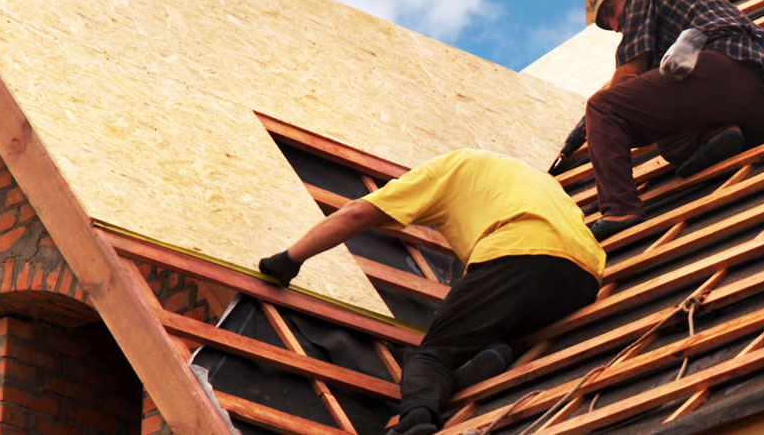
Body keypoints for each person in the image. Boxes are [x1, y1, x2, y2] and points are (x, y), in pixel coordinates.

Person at [257, 149, 605, 435]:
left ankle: (416, 420)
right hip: (585, 275)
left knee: (430, 354)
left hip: (518, 252)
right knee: (483, 332)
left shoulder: (445, 169)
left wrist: (289, 259)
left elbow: (357, 213)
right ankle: (484, 360)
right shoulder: (531, 179)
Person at [555, 0, 764, 240]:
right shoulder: (675, 5)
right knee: (668, 142)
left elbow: (629, 73)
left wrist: (590, 120)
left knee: (602, 107)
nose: (614, 26)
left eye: (611, 11)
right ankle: (719, 135)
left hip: (723, 68)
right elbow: (651, 91)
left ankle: (619, 210)